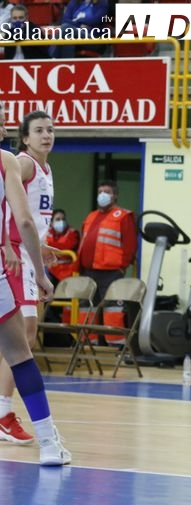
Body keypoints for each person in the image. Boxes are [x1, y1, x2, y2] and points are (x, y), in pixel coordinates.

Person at [0, 103, 70, 465]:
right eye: (39, 129)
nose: (47, 134)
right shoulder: (18, 162)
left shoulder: (42, 168)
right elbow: (21, 219)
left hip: (22, 253)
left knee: (24, 338)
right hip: (16, 258)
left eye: (50, 129)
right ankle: (37, 434)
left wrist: (37, 248)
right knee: (21, 346)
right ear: (24, 138)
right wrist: (19, 251)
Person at [77, 180, 137, 306]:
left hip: (111, 272)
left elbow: (130, 245)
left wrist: (121, 268)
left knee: (111, 308)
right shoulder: (91, 216)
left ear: (115, 196)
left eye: (107, 192)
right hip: (88, 271)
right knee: (86, 309)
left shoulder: (123, 216)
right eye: (100, 192)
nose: (102, 195)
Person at [46, 209, 80, 284]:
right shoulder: (46, 234)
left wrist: (52, 249)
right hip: (51, 269)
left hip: (68, 270)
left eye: (63, 219)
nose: (61, 222)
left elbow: (68, 246)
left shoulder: (73, 233)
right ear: (51, 222)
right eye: (58, 219)